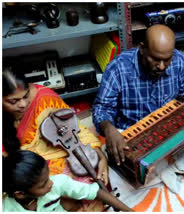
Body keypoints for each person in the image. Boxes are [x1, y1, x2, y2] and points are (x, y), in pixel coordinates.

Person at [2, 69, 109, 211]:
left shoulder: (44, 98)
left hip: (59, 154)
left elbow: (75, 128)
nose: (23, 104)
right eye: (14, 101)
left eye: (26, 96)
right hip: (24, 169)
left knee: (92, 178)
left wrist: (101, 157)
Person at [93, 24, 184, 165]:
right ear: (142, 49)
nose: (162, 66)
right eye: (155, 59)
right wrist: (109, 129)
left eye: (167, 59)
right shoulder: (118, 68)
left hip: (167, 131)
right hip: (131, 135)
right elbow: (102, 108)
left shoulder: (179, 61)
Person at [2, 150, 133, 212]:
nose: (50, 183)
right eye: (43, 184)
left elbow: (96, 192)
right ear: (20, 193)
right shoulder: (7, 210)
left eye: (48, 178)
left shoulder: (58, 182)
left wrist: (130, 211)